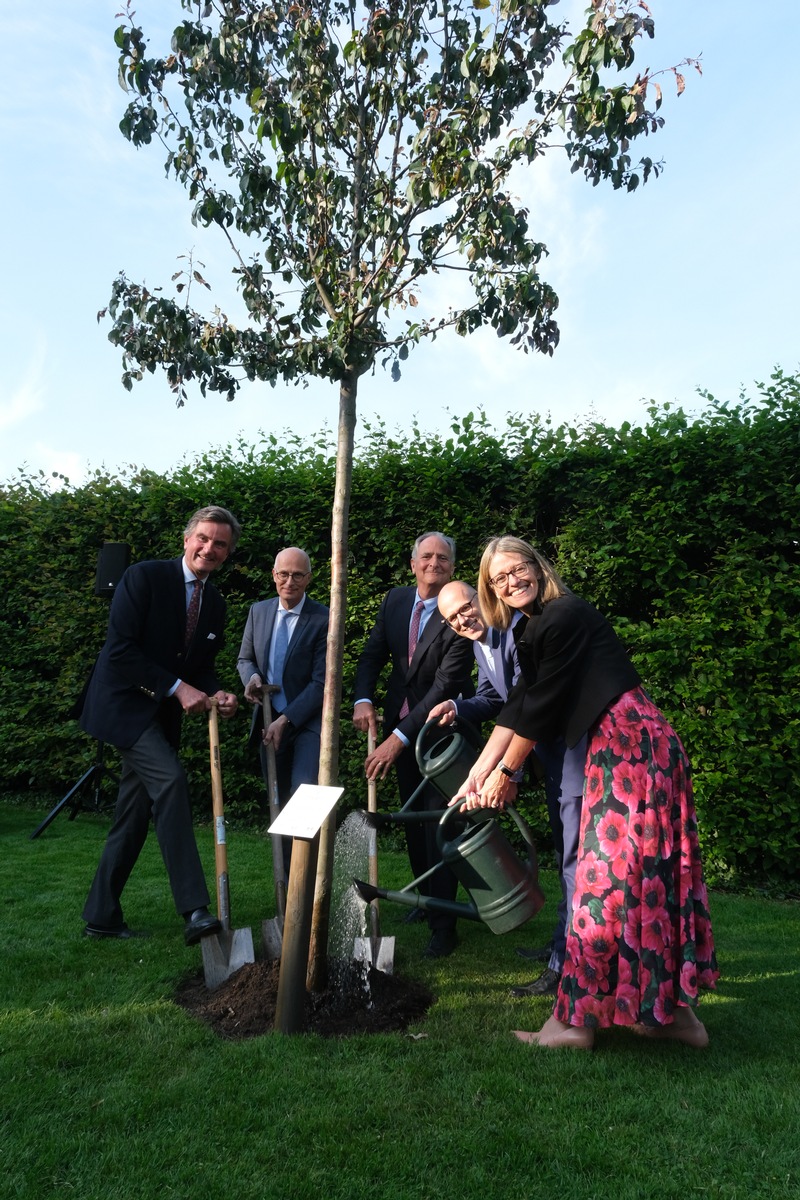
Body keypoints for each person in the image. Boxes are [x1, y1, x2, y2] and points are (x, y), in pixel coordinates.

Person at [454, 536, 718, 1049]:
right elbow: (520, 704)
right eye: (499, 578)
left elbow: (541, 706)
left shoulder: (563, 614)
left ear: (537, 565)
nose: (511, 582)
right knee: (645, 882)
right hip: (630, 747)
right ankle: (675, 1018)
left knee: (602, 885)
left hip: (628, 751)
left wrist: (505, 776)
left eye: (518, 569)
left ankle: (574, 1026)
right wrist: (477, 772)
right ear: (491, 589)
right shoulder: (539, 625)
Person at [80, 505, 241, 945]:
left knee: (132, 815)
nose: (209, 549)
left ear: (227, 554)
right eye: (203, 539)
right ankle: (195, 909)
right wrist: (177, 688)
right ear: (186, 539)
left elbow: (201, 669)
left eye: (220, 544)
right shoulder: (144, 577)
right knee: (170, 782)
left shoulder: (216, 604)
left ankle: (102, 914)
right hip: (121, 709)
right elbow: (120, 651)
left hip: (158, 716)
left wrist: (216, 693)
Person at [429, 580, 586, 996]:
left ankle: (563, 964)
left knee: (574, 859)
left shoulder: (518, 632)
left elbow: (531, 709)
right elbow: (495, 700)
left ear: (483, 598)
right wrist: (458, 706)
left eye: (466, 607)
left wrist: (507, 774)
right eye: (452, 618)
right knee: (565, 855)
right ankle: (562, 941)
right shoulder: (483, 642)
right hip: (548, 760)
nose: (463, 619)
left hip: (569, 754)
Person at [352, 533, 475, 958]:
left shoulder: (460, 613)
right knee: (411, 821)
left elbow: (446, 685)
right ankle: (424, 902)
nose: (434, 563)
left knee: (440, 826)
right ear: (413, 563)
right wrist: (363, 698)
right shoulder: (395, 601)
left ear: (452, 567)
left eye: (443, 557)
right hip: (400, 727)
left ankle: (446, 925)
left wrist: (398, 738)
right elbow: (371, 655)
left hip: (443, 734)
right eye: (427, 556)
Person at [237, 547, 329, 874]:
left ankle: (308, 887)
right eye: (283, 574)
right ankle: (288, 891)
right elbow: (245, 659)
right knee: (278, 805)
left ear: (309, 578)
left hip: (306, 725)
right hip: (266, 722)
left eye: (297, 575)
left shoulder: (324, 619)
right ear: (274, 575)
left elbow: (322, 683)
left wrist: (286, 719)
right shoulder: (258, 611)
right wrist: (253, 678)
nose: (289, 581)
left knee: (305, 802)